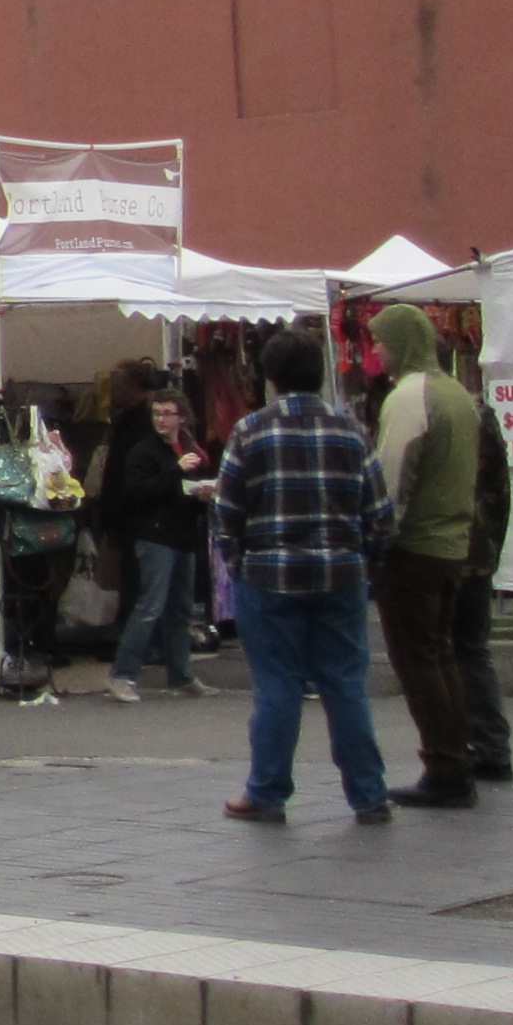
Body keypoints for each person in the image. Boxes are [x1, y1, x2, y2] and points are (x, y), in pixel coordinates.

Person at [218, 328, 394, 825]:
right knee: (345, 685)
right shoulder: (351, 430)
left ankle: (267, 792)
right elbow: (379, 512)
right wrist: (366, 561)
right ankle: (369, 794)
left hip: (269, 576)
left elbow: (226, 513)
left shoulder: (250, 430)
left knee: (278, 686)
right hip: (341, 574)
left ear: (270, 378)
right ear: (320, 375)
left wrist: (238, 563)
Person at [368, 302, 485, 806]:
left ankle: (445, 767)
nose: (375, 350)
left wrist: (377, 542)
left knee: (417, 660)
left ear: (401, 342)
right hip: (453, 544)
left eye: (380, 340)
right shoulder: (457, 394)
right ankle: (459, 755)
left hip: (413, 548)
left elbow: (391, 480)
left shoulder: (409, 397)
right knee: (441, 655)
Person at [104, 392, 214, 703]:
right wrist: (175, 470)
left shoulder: (190, 448)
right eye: (157, 413)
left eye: (167, 413)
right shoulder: (144, 451)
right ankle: (122, 675)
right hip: (154, 537)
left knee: (181, 609)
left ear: (182, 418)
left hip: (184, 535)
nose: (161, 420)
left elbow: (184, 492)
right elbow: (137, 493)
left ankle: (180, 674)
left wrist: (202, 496)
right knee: (149, 607)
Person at [454, 409, 513, 783]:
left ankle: (478, 748)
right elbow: (500, 496)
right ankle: (490, 747)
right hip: (479, 553)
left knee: (457, 652)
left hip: (455, 551)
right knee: (472, 651)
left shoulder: (459, 417)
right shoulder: (482, 417)